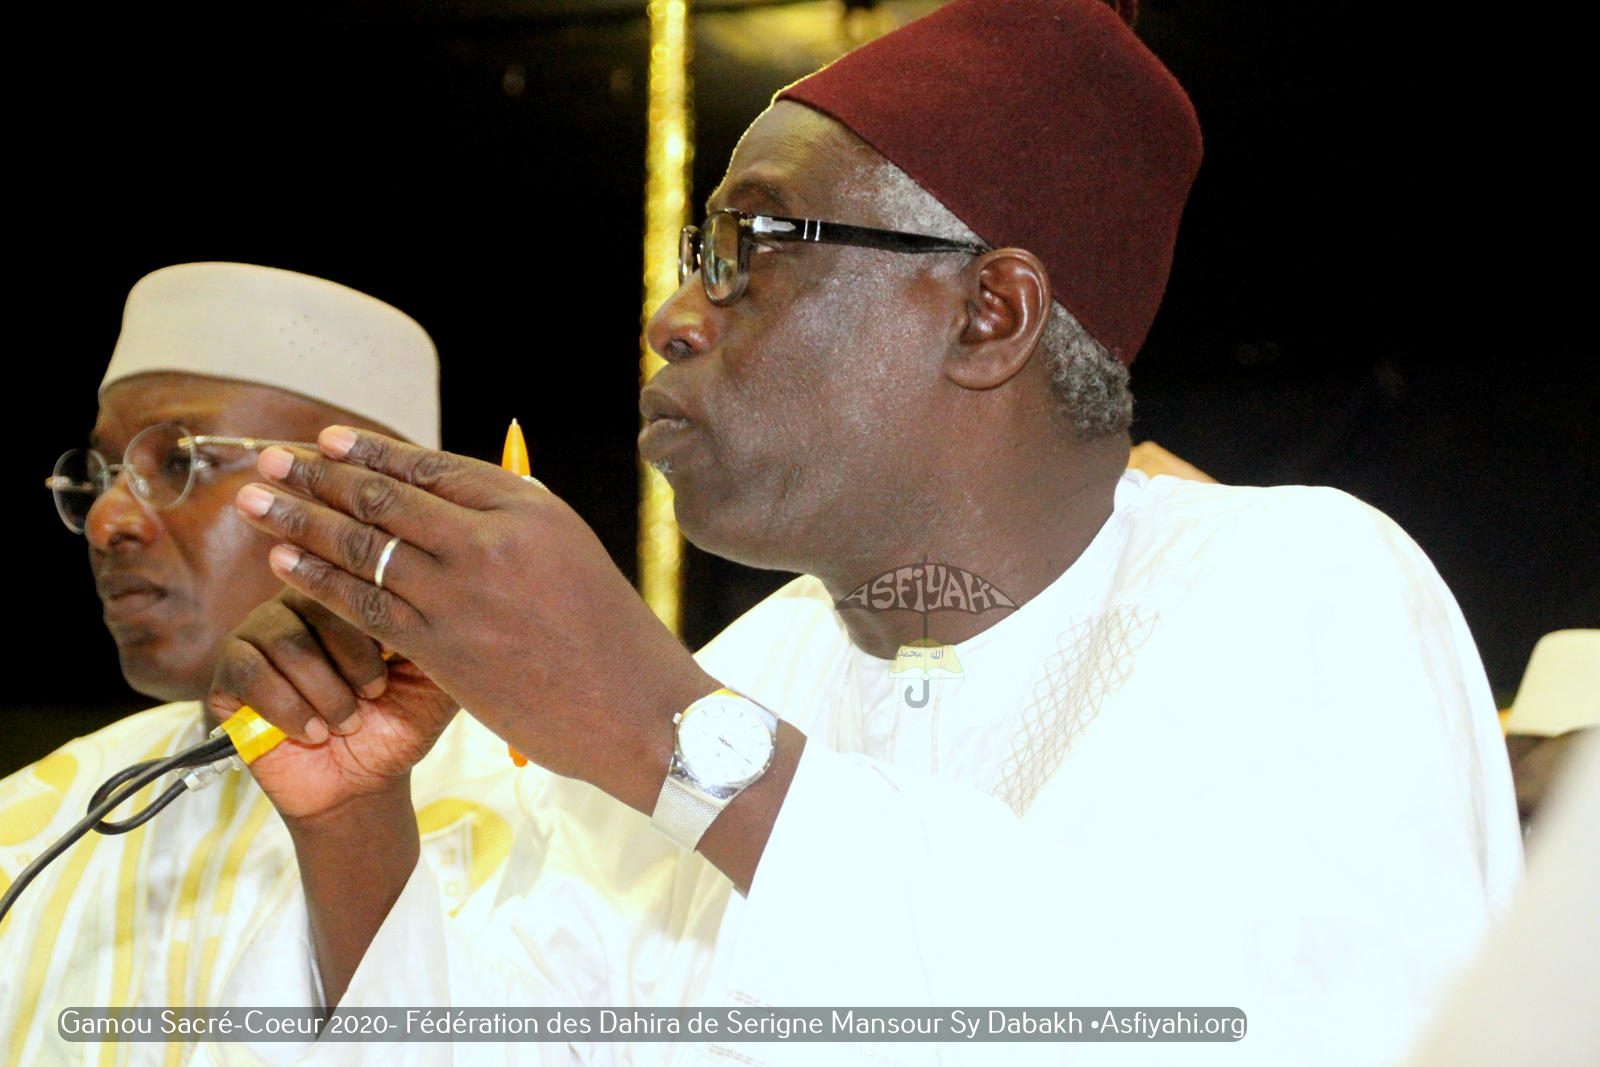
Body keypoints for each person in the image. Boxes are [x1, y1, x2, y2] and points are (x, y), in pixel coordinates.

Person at [211, 2, 1520, 1063]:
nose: (673, 314)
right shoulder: (759, 668)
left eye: (750, 245)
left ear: (988, 315)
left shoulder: (1297, 587)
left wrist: (667, 731)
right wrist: (354, 820)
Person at [0, 263, 522, 1065]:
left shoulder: (545, 803)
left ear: (368, 492)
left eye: (181, 462)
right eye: (101, 476)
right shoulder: (38, 819)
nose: (107, 519)